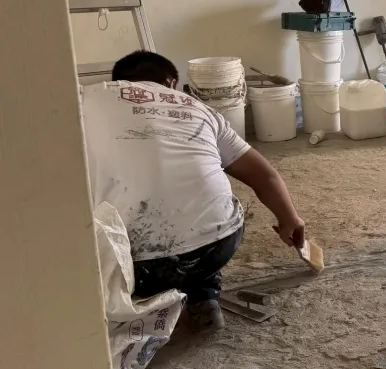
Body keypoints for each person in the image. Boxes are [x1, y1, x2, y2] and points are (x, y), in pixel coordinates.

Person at [80, 50, 307, 333]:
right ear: (171, 82)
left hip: (129, 263)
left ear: (117, 82)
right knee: (206, 211)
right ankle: (203, 294)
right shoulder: (202, 110)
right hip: (214, 249)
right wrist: (290, 219)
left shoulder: (86, 99)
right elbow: (264, 175)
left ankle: (123, 301)